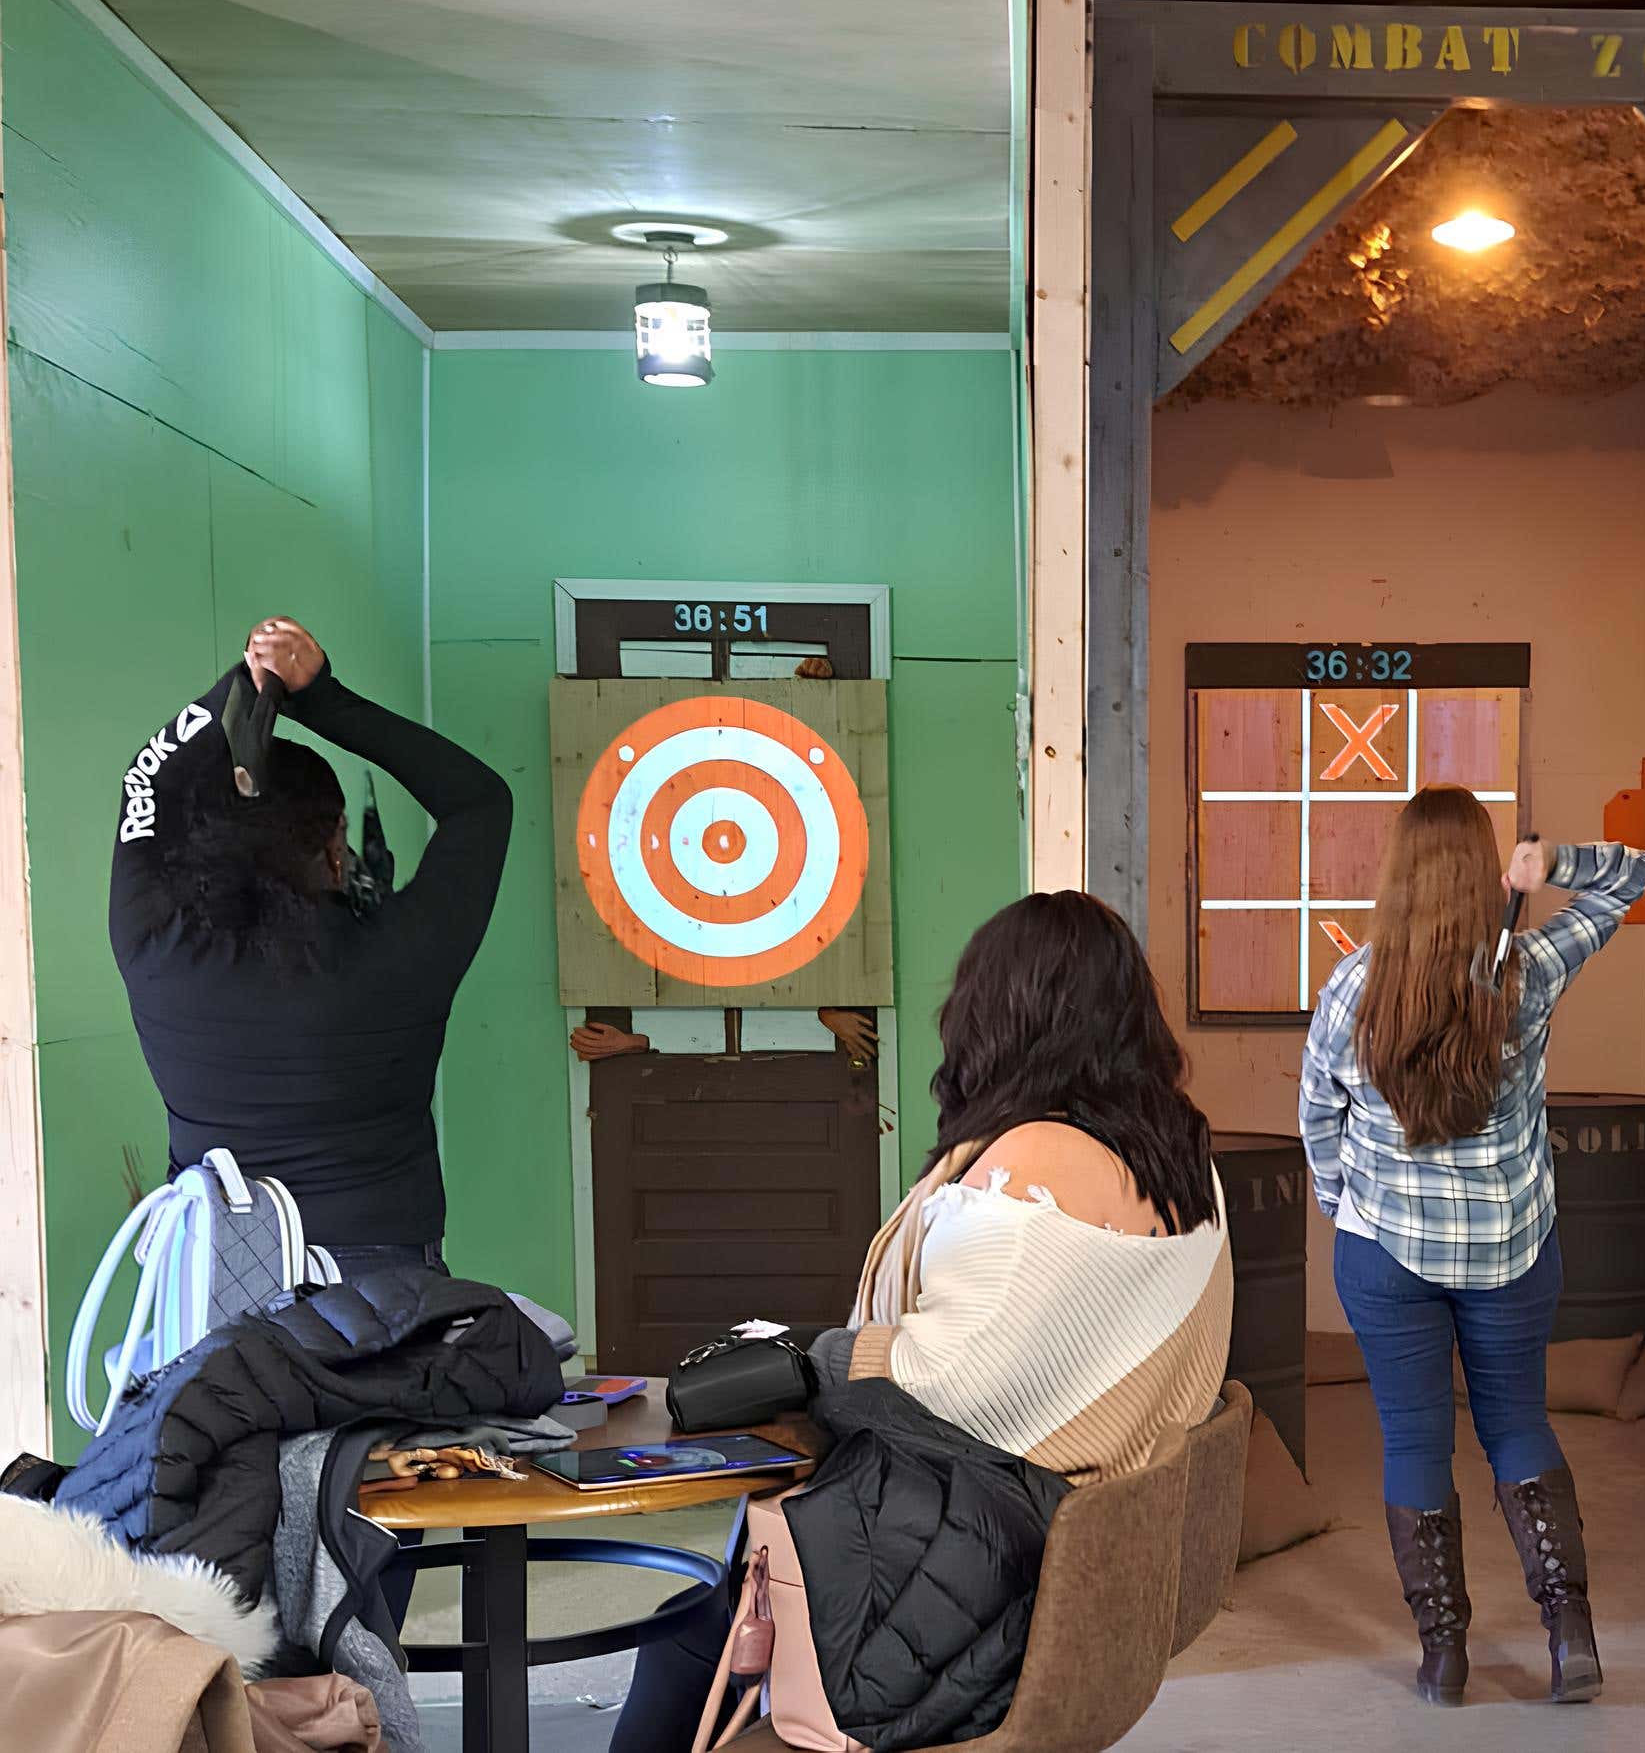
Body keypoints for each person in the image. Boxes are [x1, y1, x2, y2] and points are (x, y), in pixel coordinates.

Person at [610, 889, 1234, 1753]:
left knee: (684, 1632)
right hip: (1080, 1568)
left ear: (999, 1014)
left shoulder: (1034, 1156)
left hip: (985, 1583)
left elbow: (948, 1379)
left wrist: (816, 1359)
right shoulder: (1179, 1155)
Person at [1300, 785, 1645, 1707]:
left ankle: (1444, 1656)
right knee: (1518, 1427)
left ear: (1400, 879)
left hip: (1386, 1258)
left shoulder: (1354, 987)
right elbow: (1634, 879)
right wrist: (1559, 865)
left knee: (1414, 1441)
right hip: (1513, 1252)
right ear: (1485, 872)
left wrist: (1345, 1205)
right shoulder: (1528, 969)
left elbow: (1316, 1117)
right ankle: (1571, 1636)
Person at [111, 616, 512, 1279]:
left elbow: (144, 784)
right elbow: (480, 802)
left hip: (212, 1282)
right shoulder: (401, 954)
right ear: (333, 846)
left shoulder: (155, 944)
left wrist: (244, 695)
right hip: (385, 1289)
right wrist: (315, 696)